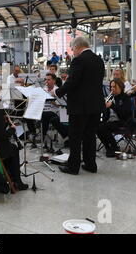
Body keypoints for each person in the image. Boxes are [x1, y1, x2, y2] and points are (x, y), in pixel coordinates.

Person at [53, 37, 105, 175]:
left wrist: (57, 92)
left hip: (79, 106)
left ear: (77, 47)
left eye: (72, 49)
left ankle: (73, 166)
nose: (72, 52)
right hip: (95, 105)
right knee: (90, 135)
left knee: (75, 136)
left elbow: (72, 82)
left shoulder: (78, 60)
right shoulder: (98, 59)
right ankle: (90, 164)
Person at [97, 79, 132, 157]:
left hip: (122, 121)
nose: (112, 89)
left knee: (104, 127)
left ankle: (115, 147)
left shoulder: (125, 98)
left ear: (120, 87)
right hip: (110, 120)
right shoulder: (110, 97)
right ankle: (108, 147)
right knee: (96, 126)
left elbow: (125, 114)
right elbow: (106, 114)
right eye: (111, 87)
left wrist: (112, 106)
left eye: (114, 87)